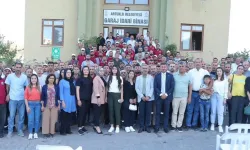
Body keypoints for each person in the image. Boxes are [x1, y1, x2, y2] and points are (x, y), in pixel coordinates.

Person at [5, 62, 28, 138]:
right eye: (17, 67)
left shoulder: (24, 77)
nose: (18, 69)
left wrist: (26, 97)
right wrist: (8, 94)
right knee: (11, 116)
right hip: (12, 99)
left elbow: (26, 88)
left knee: (21, 116)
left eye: (19, 67)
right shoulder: (10, 76)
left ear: (21, 68)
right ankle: (10, 131)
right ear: (14, 67)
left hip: (21, 99)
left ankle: (20, 130)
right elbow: (7, 86)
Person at [186, 58, 209, 130]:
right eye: (196, 62)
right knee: (190, 109)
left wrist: (205, 90)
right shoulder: (190, 72)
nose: (198, 63)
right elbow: (189, 84)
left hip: (201, 94)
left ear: (201, 63)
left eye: (199, 62)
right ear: (194, 63)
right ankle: (188, 124)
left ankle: (194, 124)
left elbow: (209, 82)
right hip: (192, 93)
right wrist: (189, 96)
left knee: (197, 110)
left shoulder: (205, 72)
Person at [154, 63, 175, 133]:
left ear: (167, 68)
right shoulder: (157, 76)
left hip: (167, 97)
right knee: (158, 113)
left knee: (166, 113)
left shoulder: (171, 76)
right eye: (162, 67)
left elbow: (172, 87)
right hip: (159, 97)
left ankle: (165, 127)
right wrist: (160, 94)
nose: (163, 68)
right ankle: (157, 127)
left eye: (164, 67)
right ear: (160, 68)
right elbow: (155, 87)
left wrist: (166, 94)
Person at [171, 62, 192, 132]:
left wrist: (189, 97)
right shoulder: (174, 75)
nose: (181, 67)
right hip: (175, 96)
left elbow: (190, 87)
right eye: (180, 66)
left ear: (185, 67)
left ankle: (179, 125)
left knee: (181, 112)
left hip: (184, 97)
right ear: (178, 67)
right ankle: (173, 125)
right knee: (174, 112)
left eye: (183, 66)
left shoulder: (188, 76)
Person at [135, 65, 154, 133]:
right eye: (143, 68)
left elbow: (152, 87)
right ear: (141, 69)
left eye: (146, 68)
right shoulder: (138, 78)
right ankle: (141, 126)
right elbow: (136, 88)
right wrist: (142, 96)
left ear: (148, 69)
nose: (145, 69)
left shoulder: (151, 77)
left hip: (149, 98)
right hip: (141, 97)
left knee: (148, 113)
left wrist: (148, 96)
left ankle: (147, 126)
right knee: (141, 113)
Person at [76, 66, 93, 135]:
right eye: (84, 70)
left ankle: (83, 126)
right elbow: (77, 89)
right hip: (81, 99)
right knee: (81, 114)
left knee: (85, 113)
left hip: (88, 99)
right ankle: (79, 128)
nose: (86, 71)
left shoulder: (90, 79)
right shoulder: (79, 79)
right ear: (82, 71)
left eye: (87, 70)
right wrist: (78, 99)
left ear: (89, 71)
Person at [59, 69, 76, 135]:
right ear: (65, 73)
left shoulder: (73, 81)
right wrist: (62, 101)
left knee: (69, 116)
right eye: (67, 72)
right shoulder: (62, 81)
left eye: (70, 72)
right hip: (65, 100)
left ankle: (68, 129)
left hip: (72, 100)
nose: (69, 74)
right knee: (64, 116)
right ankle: (62, 130)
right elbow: (61, 92)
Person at [210, 67, 228, 133]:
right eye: (217, 71)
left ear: (222, 72)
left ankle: (220, 125)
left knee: (220, 112)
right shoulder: (214, 80)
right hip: (214, 96)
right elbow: (211, 88)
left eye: (220, 71)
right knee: (213, 111)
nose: (219, 72)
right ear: (216, 72)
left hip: (221, 97)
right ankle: (212, 124)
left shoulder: (225, 80)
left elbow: (226, 90)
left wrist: (225, 98)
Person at [24, 74, 41, 139]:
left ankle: (36, 132)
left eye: (35, 78)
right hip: (30, 104)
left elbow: (41, 97)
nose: (34, 80)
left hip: (38, 104)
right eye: (32, 78)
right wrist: (27, 106)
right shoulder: (28, 87)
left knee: (37, 119)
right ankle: (30, 133)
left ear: (37, 79)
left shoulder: (39, 87)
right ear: (30, 80)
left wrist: (41, 105)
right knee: (31, 120)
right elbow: (25, 97)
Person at [107, 66, 124, 133]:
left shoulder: (120, 78)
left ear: (117, 70)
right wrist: (106, 96)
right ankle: (112, 126)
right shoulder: (109, 77)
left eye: (115, 69)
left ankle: (117, 126)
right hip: (110, 94)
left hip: (117, 95)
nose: (114, 70)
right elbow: (107, 87)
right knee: (111, 110)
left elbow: (122, 89)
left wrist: (122, 97)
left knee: (117, 111)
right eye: (113, 69)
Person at [91, 67, 107, 134]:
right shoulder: (96, 78)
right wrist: (98, 98)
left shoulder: (102, 78)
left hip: (102, 98)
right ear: (97, 71)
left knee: (99, 113)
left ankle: (95, 125)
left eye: (102, 71)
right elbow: (95, 89)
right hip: (97, 99)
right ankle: (97, 126)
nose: (102, 72)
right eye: (100, 71)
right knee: (97, 113)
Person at [0, 69, 6, 138]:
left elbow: (7, 90)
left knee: (2, 118)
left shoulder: (4, 81)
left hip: (3, 102)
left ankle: (1, 132)